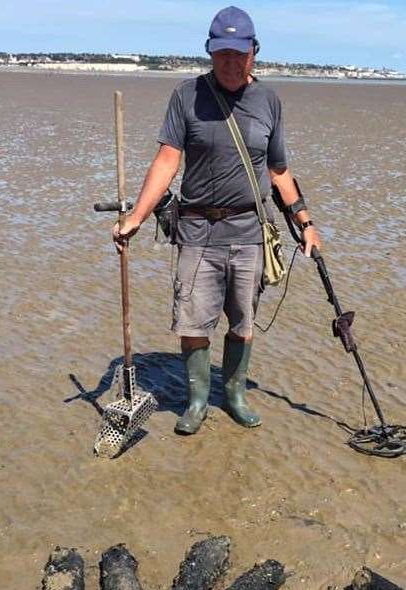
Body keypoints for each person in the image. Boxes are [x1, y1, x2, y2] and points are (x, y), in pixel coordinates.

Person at [113, 5, 321, 435]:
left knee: (242, 321)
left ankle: (236, 396)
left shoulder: (269, 101)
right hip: (196, 233)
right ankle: (196, 401)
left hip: (249, 234)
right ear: (210, 51)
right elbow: (167, 161)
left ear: (254, 52)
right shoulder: (187, 95)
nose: (230, 61)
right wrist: (137, 216)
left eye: (238, 53)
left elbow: (279, 170)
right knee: (192, 321)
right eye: (222, 52)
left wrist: (305, 222)